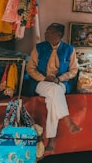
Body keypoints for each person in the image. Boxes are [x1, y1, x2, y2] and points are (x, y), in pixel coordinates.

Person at [26, 23, 81, 152]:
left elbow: (73, 70)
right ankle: (66, 121)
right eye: (46, 31)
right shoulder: (39, 48)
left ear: (59, 35)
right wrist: (44, 78)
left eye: (49, 32)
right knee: (53, 90)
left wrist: (59, 79)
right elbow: (30, 68)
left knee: (52, 99)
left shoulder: (69, 49)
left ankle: (52, 139)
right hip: (41, 82)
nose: (46, 34)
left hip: (60, 83)